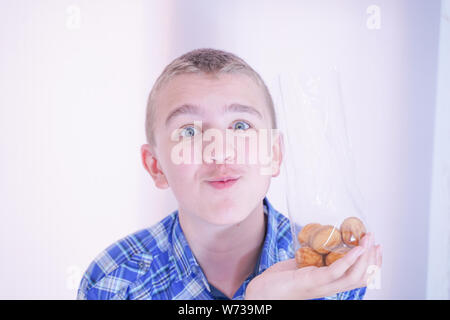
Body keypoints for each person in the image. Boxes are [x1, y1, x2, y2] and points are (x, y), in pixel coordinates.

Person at [77, 48, 382, 300]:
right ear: (156, 166)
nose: (219, 151)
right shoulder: (113, 283)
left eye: (240, 126)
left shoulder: (332, 274)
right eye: (189, 131)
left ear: (274, 154)